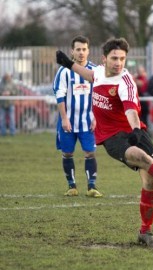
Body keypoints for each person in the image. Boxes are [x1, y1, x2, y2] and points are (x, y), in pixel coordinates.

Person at [55, 37, 153, 248]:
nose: (119, 63)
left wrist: (136, 130)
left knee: (149, 181)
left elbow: (131, 110)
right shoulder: (98, 72)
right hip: (111, 136)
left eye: (122, 59)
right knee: (140, 157)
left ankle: (145, 232)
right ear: (104, 59)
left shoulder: (125, 82)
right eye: (114, 58)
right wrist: (69, 64)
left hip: (134, 130)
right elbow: (89, 75)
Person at [53, 35, 102, 198]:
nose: (81, 53)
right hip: (68, 121)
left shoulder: (94, 71)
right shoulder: (64, 71)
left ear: (88, 51)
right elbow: (59, 95)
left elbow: (99, 97)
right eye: (78, 49)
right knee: (67, 153)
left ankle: (92, 187)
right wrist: (65, 118)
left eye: (84, 49)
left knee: (90, 153)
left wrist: (96, 117)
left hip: (88, 121)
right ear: (71, 51)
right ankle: (72, 186)